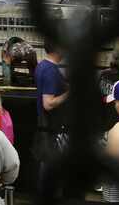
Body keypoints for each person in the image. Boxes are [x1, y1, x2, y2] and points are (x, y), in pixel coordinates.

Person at [34, 38, 69, 185]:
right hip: (52, 127)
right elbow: (48, 103)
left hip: (46, 125)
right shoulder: (50, 71)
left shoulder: (42, 66)